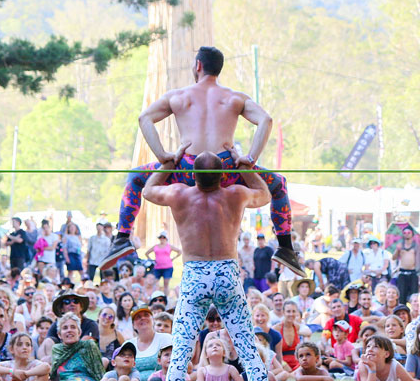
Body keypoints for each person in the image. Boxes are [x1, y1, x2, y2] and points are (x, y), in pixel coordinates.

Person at [101, 46, 304, 279]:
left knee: (136, 177)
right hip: (227, 167)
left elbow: (144, 118)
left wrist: (162, 155)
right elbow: (265, 120)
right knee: (278, 184)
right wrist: (249, 159)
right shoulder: (234, 97)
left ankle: (123, 238)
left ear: (198, 65)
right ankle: (286, 246)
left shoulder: (178, 96)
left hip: (188, 167)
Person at [141, 148, 287, 381]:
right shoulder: (234, 194)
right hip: (227, 274)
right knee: (247, 348)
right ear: (223, 175)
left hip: (195, 273)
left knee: (181, 348)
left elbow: (148, 190)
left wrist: (169, 163)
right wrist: (245, 164)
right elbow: (266, 194)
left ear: (193, 175)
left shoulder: (180, 194)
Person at [50, 312, 106, 381]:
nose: (69, 330)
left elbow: (99, 372)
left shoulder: (88, 346)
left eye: (73, 327)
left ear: (79, 332)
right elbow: (53, 374)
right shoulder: (56, 350)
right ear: (59, 334)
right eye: (65, 328)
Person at [124, 305, 173, 381]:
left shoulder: (166, 339)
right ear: (133, 325)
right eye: (138, 317)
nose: (142, 318)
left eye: (146, 315)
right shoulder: (128, 344)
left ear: (153, 320)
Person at [145, 231, 181, 297]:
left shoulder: (169, 246)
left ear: (166, 239)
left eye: (164, 237)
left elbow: (179, 251)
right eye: (161, 237)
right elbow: (147, 253)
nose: (162, 239)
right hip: (157, 267)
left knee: (166, 284)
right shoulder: (155, 246)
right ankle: (154, 296)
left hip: (167, 267)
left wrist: (173, 258)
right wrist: (151, 260)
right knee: (155, 283)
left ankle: (166, 297)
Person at [392, 225, 420, 304]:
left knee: (414, 296)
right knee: (401, 296)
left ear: (412, 234)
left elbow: (418, 260)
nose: (407, 234)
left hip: (413, 273)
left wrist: (419, 273)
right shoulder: (400, 245)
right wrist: (397, 250)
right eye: (405, 233)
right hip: (402, 273)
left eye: (409, 232)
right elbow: (393, 258)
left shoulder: (416, 245)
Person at [273, 300, 302, 371]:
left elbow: (308, 332)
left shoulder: (297, 327)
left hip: (296, 361)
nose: (291, 314)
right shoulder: (276, 328)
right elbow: (272, 352)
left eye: (293, 311)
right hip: (282, 362)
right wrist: (282, 364)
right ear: (283, 312)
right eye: (288, 311)